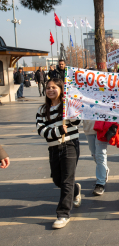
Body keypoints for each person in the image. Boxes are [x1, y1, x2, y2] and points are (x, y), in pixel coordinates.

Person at [36, 78, 82, 229]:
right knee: (58, 180)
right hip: (54, 147)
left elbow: (75, 123)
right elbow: (41, 130)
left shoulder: (67, 106)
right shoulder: (42, 110)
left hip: (70, 145)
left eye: (54, 87)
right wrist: (57, 131)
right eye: (48, 87)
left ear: (61, 89)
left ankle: (63, 214)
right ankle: (76, 190)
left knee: (66, 180)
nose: (50, 90)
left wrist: (74, 110)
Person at [83, 116, 109, 196]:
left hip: (102, 126)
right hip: (88, 127)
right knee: (94, 154)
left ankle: (100, 183)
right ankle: (104, 170)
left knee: (100, 155)